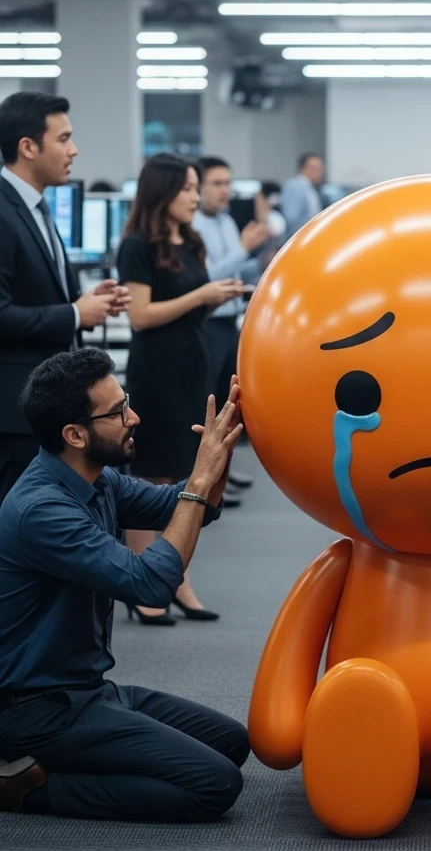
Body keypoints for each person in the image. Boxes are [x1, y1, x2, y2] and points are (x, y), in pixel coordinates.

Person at [0, 348, 250, 818]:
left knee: (233, 741)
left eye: (125, 401)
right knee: (215, 784)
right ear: (75, 434)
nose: (133, 417)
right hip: (36, 711)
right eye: (117, 412)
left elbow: (189, 504)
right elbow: (151, 584)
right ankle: (28, 790)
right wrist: (199, 480)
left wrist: (219, 454)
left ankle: (72, 759)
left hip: (88, 689)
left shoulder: (98, 480)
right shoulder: (41, 511)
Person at [117, 154, 245, 622]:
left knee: (184, 477)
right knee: (149, 477)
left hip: (191, 365)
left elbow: (190, 310)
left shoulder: (190, 244)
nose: (196, 197)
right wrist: (201, 296)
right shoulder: (137, 245)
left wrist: (214, 299)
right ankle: (138, 584)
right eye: (189, 188)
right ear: (164, 191)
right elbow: (141, 316)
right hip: (156, 371)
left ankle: (176, 579)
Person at [0, 91, 129, 503]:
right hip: (16, 411)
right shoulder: (3, 212)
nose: (73, 151)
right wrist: (74, 313)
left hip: (46, 406)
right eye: (63, 139)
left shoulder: (36, 207)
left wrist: (86, 302)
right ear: (28, 147)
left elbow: (37, 292)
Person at [193, 157, 269, 495]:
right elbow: (207, 279)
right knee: (206, 401)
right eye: (218, 184)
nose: (226, 191)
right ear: (200, 187)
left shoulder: (225, 222)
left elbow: (234, 274)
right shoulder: (193, 226)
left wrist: (259, 262)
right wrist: (243, 249)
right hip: (208, 323)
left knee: (228, 401)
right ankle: (201, 477)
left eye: (228, 184)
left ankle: (222, 469)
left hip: (229, 323)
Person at [280, 151, 325, 237]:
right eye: (314, 168)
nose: (319, 172)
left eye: (321, 168)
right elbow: (291, 218)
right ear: (302, 168)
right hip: (299, 238)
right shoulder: (294, 186)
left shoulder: (310, 188)